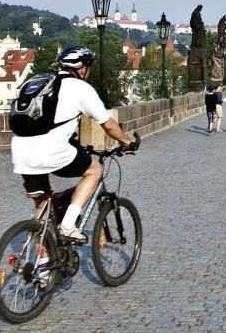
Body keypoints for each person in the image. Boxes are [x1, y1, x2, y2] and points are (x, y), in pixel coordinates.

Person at [11, 46, 135, 242]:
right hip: (51, 151)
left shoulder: (40, 82)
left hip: (21, 152)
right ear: (83, 68)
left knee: (41, 208)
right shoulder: (80, 88)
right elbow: (108, 124)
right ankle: (68, 225)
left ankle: (42, 265)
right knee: (94, 170)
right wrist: (127, 142)